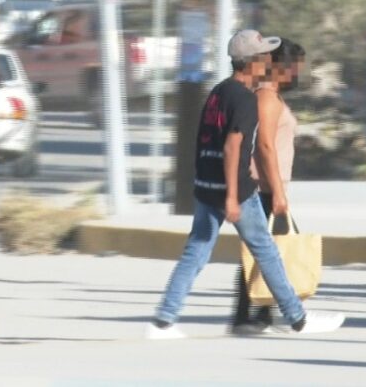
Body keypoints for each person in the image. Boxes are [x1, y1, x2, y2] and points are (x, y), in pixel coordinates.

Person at [145, 30, 344, 339]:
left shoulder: (218, 92)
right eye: (265, 56)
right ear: (255, 61)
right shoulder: (246, 99)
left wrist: (205, 182)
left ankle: (163, 321)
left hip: (207, 184)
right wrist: (233, 197)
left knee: (196, 252)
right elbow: (233, 147)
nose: (268, 60)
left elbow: (203, 140)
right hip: (234, 187)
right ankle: (298, 319)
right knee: (266, 251)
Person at [230, 38, 306, 335]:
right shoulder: (266, 98)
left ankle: (255, 316)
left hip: (266, 184)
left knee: (264, 250)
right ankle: (257, 315)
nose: (297, 75)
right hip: (262, 185)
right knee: (266, 250)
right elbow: (264, 146)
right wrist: (277, 191)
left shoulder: (270, 96)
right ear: (279, 68)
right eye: (294, 68)